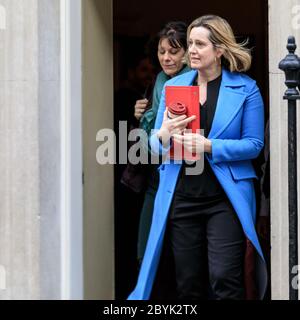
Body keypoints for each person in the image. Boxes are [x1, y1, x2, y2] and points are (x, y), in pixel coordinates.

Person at [128, 14, 267, 300]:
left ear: (219, 50)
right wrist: (164, 131)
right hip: (182, 198)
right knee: (188, 284)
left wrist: (209, 146)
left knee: (224, 279)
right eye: (190, 43)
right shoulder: (172, 88)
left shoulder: (246, 88)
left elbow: (254, 145)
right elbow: (155, 146)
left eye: (199, 44)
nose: (191, 49)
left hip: (225, 199)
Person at [133, 21, 191, 266]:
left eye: (174, 51)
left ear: (188, 53)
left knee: (183, 259)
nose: (166, 58)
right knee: (145, 253)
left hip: (187, 177)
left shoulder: (196, 80)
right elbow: (150, 127)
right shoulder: (158, 81)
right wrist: (140, 114)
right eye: (161, 51)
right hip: (156, 173)